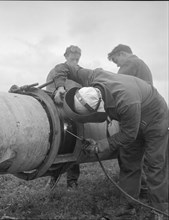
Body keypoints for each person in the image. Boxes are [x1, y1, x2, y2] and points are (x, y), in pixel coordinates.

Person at [49, 62, 168, 220]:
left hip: (155, 117)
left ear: (100, 108)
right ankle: (128, 207)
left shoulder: (126, 101)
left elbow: (129, 134)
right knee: (128, 163)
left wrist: (100, 146)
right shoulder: (94, 76)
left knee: (154, 164)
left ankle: (159, 210)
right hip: (132, 114)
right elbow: (65, 67)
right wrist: (60, 86)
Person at [108, 44, 153, 199]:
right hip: (148, 117)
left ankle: (128, 204)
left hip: (136, 117)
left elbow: (116, 84)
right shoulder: (141, 65)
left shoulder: (130, 63)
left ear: (122, 54)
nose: (117, 65)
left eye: (116, 61)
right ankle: (145, 189)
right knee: (144, 158)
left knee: (128, 156)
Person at [45, 45, 82, 190]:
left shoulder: (79, 72)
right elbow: (49, 91)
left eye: (77, 59)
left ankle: (72, 181)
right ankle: (53, 177)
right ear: (66, 56)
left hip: (74, 114)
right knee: (57, 147)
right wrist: (57, 93)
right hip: (59, 115)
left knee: (74, 146)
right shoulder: (56, 71)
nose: (74, 61)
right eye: (72, 58)